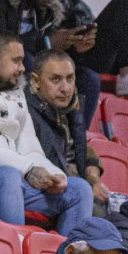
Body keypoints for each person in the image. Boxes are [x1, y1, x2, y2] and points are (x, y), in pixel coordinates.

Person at [0, 30, 92, 230]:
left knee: (79, 189)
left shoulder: (15, 89)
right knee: (7, 175)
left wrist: (54, 175)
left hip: (13, 179)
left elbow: (29, 147)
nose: (23, 68)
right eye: (17, 61)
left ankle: (69, 249)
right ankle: (12, 247)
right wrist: (27, 169)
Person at [24, 48, 104, 214]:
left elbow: (80, 146)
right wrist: (88, 187)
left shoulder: (70, 108)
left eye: (70, 78)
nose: (65, 88)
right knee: (102, 217)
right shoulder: (27, 113)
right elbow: (52, 165)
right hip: (50, 191)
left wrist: (93, 173)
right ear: (36, 81)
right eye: (55, 79)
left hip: (74, 186)